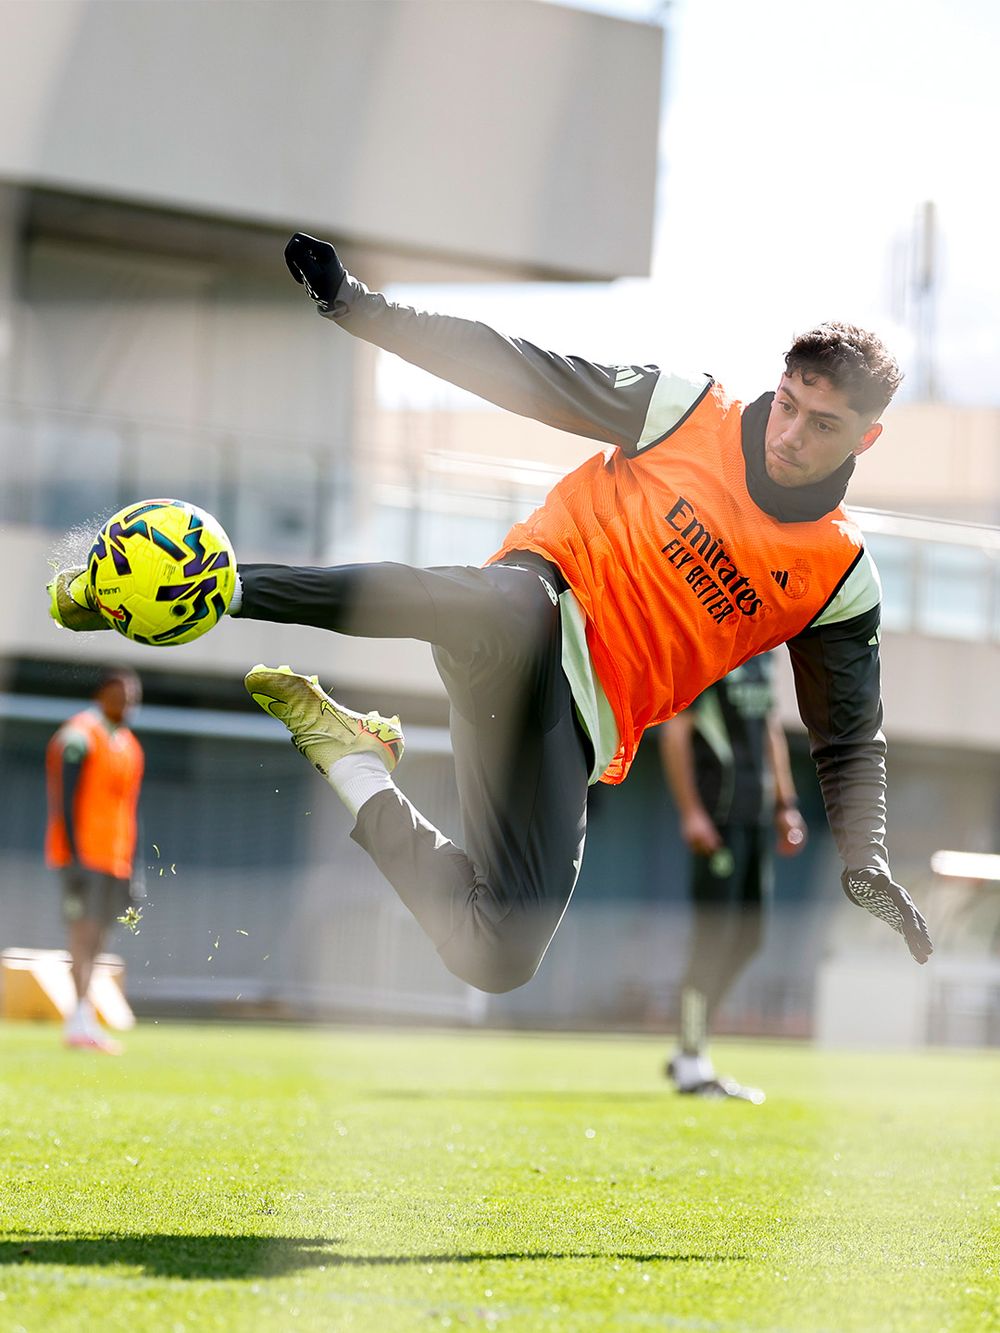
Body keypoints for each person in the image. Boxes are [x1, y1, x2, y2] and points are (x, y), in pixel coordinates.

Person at [47, 232, 932, 998]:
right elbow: (519, 371)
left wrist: (866, 856)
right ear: (775, 385)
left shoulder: (839, 578)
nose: (790, 434)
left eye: (823, 424)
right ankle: (226, 587)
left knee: (501, 952)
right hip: (531, 600)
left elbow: (848, 736)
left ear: (867, 437)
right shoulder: (684, 411)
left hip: (573, 719)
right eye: (789, 403)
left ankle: (354, 763)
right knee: (506, 611)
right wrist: (361, 309)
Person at [659, 653, 807, 1102]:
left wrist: (785, 803)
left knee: (749, 938)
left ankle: (692, 1039)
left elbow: (771, 730)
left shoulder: (765, 659)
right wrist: (691, 813)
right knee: (712, 939)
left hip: (756, 820)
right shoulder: (707, 654)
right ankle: (690, 1059)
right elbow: (675, 734)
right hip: (717, 822)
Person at [44, 668, 144, 1052]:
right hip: (83, 855)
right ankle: (78, 1020)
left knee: (100, 937)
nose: (130, 702)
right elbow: (64, 800)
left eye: (134, 696)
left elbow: (130, 810)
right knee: (82, 935)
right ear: (102, 694)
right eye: (122, 694)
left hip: (114, 858)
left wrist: (133, 865)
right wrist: (72, 854)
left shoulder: (129, 744)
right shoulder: (79, 736)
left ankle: (84, 1015)